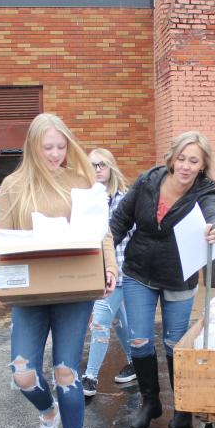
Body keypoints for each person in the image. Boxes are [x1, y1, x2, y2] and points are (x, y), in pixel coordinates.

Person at [0, 113, 118, 428]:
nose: (56, 154)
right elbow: (1, 234)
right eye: (48, 148)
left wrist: (109, 268)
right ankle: (48, 414)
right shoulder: (14, 185)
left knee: (66, 372)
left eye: (61, 147)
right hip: (31, 290)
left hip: (74, 288)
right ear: (32, 147)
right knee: (22, 373)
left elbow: (101, 232)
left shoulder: (82, 180)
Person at [110, 131, 215, 428]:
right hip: (139, 273)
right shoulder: (148, 181)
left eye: (194, 161)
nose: (186, 166)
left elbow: (214, 213)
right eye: (182, 158)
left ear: (202, 165)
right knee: (140, 339)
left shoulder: (204, 190)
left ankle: (182, 407)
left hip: (178, 276)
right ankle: (150, 403)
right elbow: (120, 220)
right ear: (172, 158)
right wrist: (104, 256)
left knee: (175, 343)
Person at [82, 148, 135, 396]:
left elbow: (133, 237)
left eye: (102, 165)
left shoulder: (124, 199)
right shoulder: (87, 200)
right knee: (118, 319)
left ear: (111, 167)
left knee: (101, 320)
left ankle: (90, 377)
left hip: (121, 269)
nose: (98, 170)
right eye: (92, 165)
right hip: (96, 270)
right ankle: (136, 362)